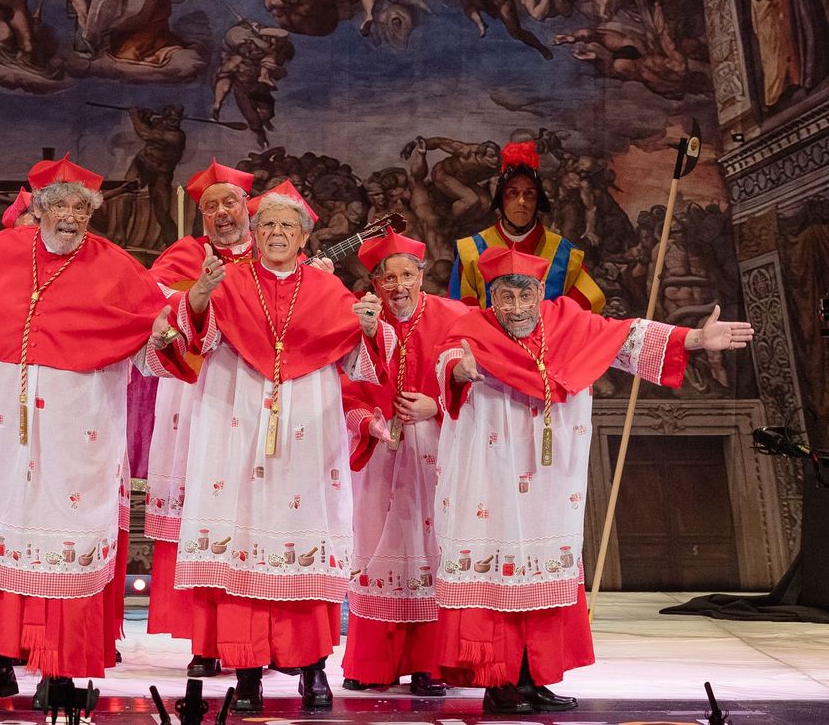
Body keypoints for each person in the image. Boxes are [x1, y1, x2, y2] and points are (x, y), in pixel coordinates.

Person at [433, 246, 753, 714]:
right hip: (491, 476)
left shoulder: (570, 324)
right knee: (498, 572)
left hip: (550, 479)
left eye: (525, 297)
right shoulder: (470, 330)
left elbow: (631, 338)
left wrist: (696, 340)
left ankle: (534, 677)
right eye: (505, 297)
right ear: (490, 297)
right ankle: (500, 682)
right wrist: (461, 369)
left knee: (544, 571)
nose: (516, 308)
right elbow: (444, 365)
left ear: (540, 292)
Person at [0, 156, 170, 705]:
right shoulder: (3, 251)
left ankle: (60, 672)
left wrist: (167, 332)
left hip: (78, 426)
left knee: (61, 536)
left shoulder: (117, 266)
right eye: (59, 206)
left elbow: (154, 329)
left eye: (80, 208)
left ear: (91, 214)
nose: (69, 217)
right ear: (40, 210)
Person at [158, 187, 385, 712]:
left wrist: (372, 331)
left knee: (302, 546)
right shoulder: (227, 283)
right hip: (234, 425)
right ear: (254, 235)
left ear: (305, 237)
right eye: (267, 227)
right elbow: (184, 341)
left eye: (288, 227)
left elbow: (362, 370)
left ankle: (312, 670)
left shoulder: (330, 291)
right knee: (242, 547)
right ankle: (249, 675)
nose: (277, 234)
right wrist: (196, 296)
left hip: (308, 433)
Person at [143, 160, 258, 679]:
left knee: (255, 515)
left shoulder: (275, 255)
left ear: (246, 207)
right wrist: (197, 296)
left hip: (256, 398)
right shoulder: (185, 256)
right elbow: (155, 307)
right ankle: (205, 640)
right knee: (204, 515)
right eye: (210, 206)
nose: (220, 213)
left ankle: (255, 634)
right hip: (198, 395)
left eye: (228, 203)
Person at [340, 232, 467, 696]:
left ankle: (429, 665)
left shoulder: (455, 317)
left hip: (437, 449)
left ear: (423, 275)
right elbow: (345, 381)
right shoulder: (358, 319)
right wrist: (372, 422)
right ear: (374, 282)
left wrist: (437, 405)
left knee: (431, 549)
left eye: (407, 276)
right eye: (387, 277)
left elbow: (476, 377)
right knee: (375, 548)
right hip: (380, 448)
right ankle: (370, 664)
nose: (398, 286)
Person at [450, 140, 604, 311]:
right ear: (500, 200)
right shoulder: (470, 252)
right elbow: (459, 315)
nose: (521, 201)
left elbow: (584, 314)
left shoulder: (567, 256)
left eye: (529, 194)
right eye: (512, 193)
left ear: (539, 201)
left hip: (549, 338)